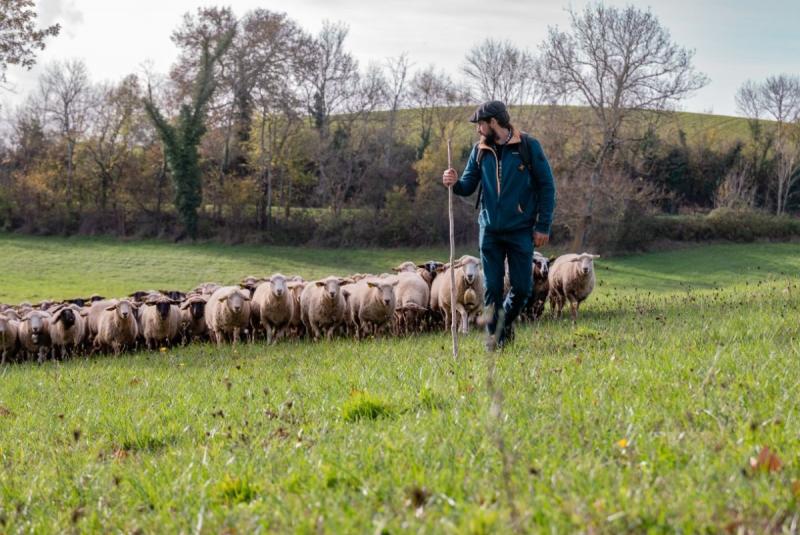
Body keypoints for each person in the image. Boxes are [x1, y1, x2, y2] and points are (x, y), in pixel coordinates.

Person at [442, 100, 556, 349]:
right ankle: (494, 340)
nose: (478, 130)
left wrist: (543, 225)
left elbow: (547, 187)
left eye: (480, 124)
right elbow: (467, 185)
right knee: (492, 288)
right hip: (490, 231)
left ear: (494, 122)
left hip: (521, 230)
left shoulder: (528, 146)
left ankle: (503, 326)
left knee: (523, 289)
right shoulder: (480, 150)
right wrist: (453, 181)